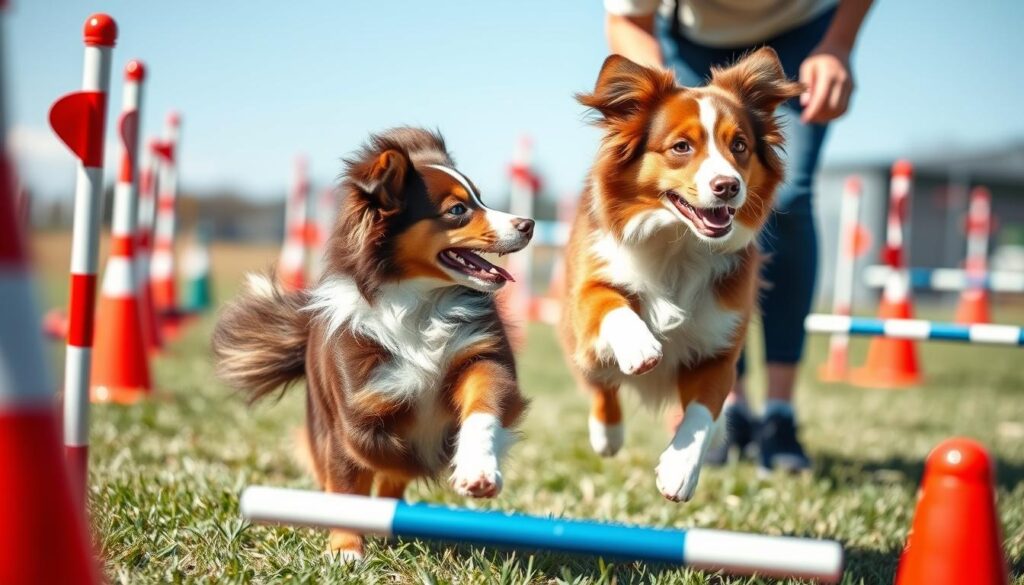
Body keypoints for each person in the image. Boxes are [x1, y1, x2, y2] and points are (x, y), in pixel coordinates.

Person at [602, 0, 874, 472]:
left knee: (786, 196)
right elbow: (627, 20)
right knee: (700, 201)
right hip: (687, 38)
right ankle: (727, 409)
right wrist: (667, 102)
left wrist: (838, 46)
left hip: (804, 29)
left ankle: (780, 414)